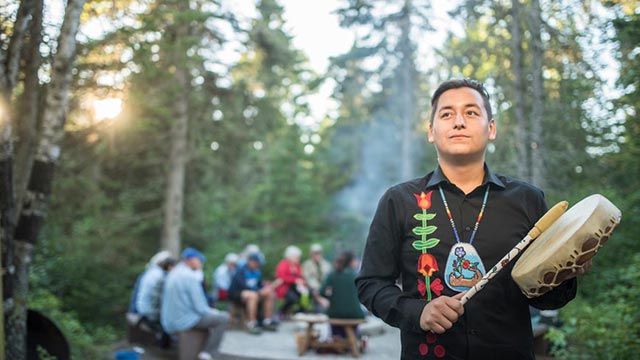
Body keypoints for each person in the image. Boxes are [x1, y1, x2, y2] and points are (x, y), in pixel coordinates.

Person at [356, 78, 586, 359]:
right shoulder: (399, 201)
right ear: (431, 131)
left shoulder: (527, 200)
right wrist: (418, 311)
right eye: (447, 114)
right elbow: (370, 284)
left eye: (471, 112)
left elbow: (547, 299)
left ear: (491, 129)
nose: (459, 122)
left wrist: (563, 274)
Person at [161, 247, 229, 360]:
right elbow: (201, 308)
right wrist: (215, 312)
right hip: (183, 321)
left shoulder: (174, 273)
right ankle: (209, 353)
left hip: (168, 321)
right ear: (191, 260)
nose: (201, 263)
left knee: (213, 316)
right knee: (223, 318)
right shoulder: (189, 277)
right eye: (200, 260)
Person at [228, 253, 278, 334]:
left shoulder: (257, 272)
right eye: (257, 263)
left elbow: (259, 285)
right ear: (251, 261)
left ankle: (267, 321)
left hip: (252, 292)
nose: (258, 265)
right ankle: (252, 323)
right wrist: (258, 291)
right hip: (237, 294)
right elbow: (242, 286)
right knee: (253, 295)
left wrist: (264, 289)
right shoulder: (241, 270)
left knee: (269, 293)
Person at [320, 251, 364, 339]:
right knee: (353, 327)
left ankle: (338, 339)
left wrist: (332, 297)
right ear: (351, 262)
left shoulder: (332, 275)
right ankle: (352, 340)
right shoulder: (356, 275)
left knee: (337, 329)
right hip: (355, 314)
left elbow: (322, 292)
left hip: (335, 313)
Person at [136, 254, 177, 347]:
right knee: (173, 317)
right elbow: (162, 300)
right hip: (149, 312)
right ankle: (165, 345)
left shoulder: (152, 272)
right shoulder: (160, 277)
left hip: (142, 308)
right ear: (169, 266)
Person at [275, 245, 310, 315]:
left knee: (306, 294)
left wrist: (302, 281)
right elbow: (282, 277)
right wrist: (295, 280)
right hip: (285, 287)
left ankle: (302, 311)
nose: (298, 258)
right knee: (293, 298)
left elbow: (300, 276)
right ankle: (281, 311)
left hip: (295, 287)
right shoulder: (283, 264)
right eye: (296, 256)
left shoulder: (297, 266)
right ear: (290, 256)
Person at [302, 243, 331, 312]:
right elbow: (307, 279)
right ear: (311, 254)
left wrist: (328, 287)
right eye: (315, 253)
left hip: (324, 287)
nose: (317, 255)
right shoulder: (307, 265)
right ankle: (320, 304)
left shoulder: (326, 264)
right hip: (312, 288)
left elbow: (329, 277)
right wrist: (317, 287)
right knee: (313, 292)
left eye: (318, 253)